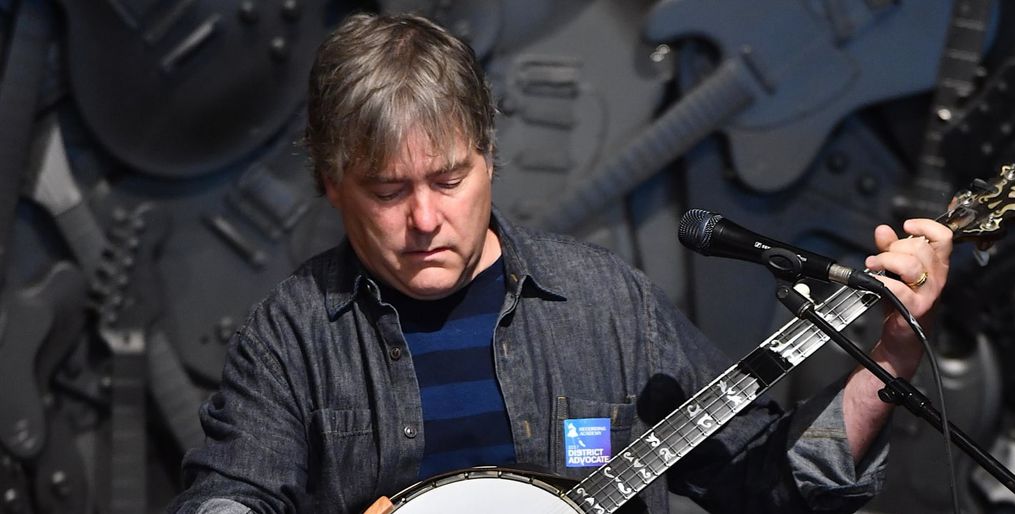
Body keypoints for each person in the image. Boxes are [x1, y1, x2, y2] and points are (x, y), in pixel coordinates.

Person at [169, 12, 953, 514]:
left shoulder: (602, 303)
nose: (424, 218)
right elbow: (225, 495)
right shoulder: (295, 332)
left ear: (488, 159)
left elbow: (766, 487)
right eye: (386, 190)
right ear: (331, 185)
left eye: (449, 179)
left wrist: (884, 362)